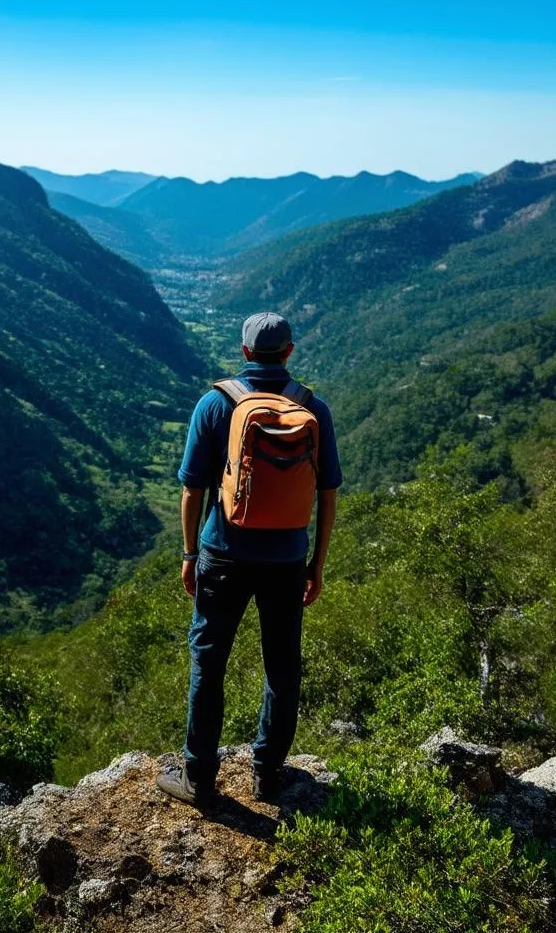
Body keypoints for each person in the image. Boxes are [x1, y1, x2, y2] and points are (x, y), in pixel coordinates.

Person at [155, 311, 342, 808]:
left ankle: (198, 777)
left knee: (209, 659)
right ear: (289, 351)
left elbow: (193, 488)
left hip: (224, 552)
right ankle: (267, 773)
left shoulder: (215, 404)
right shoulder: (313, 408)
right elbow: (328, 491)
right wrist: (316, 563)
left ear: (243, 353)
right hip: (287, 558)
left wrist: (190, 552)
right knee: (282, 664)